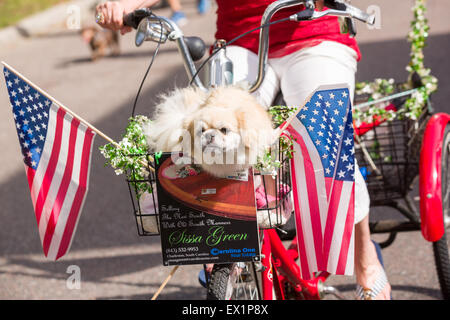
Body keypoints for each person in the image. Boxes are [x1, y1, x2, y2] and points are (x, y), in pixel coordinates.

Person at [95, 0, 392, 300]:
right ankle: (225, 243)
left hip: (314, 29)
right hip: (241, 37)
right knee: (207, 125)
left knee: (325, 139)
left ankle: (365, 259)